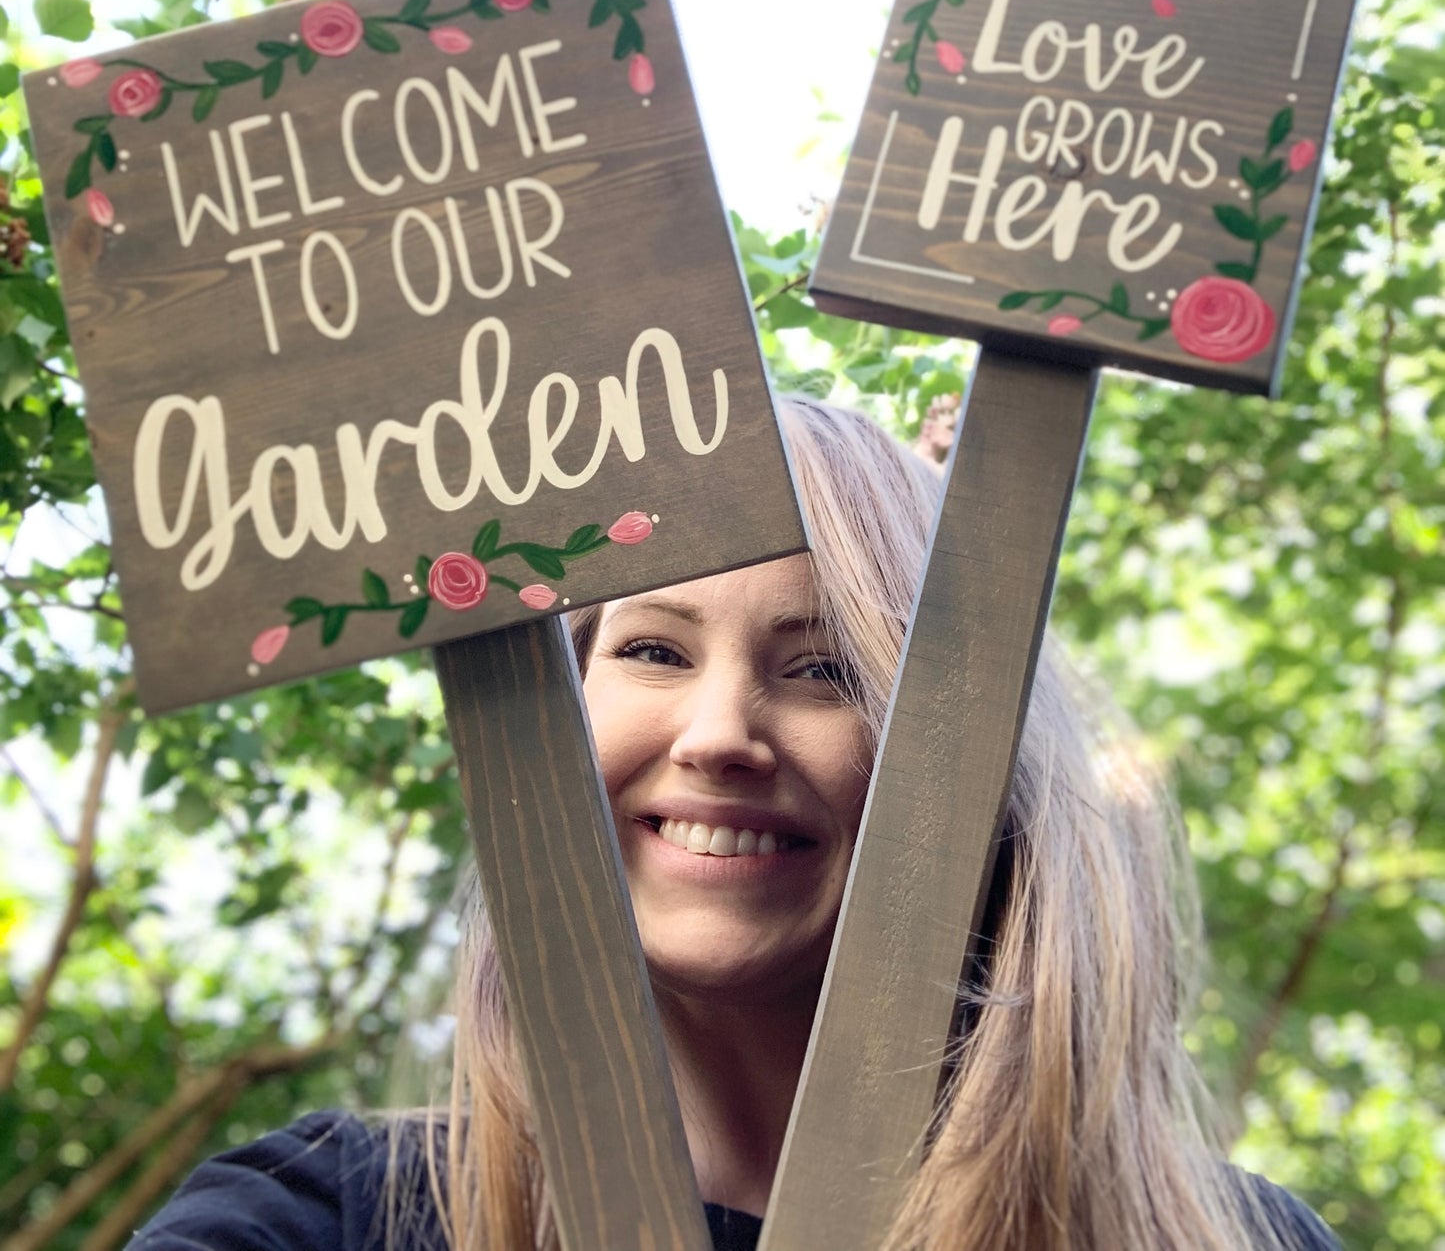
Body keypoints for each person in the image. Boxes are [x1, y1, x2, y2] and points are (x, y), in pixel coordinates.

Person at [133, 399, 1342, 1251]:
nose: (718, 732)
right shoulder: (321, 1216)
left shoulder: (1221, 1236)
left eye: (823, 670)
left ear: (968, 762)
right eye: (652, 648)